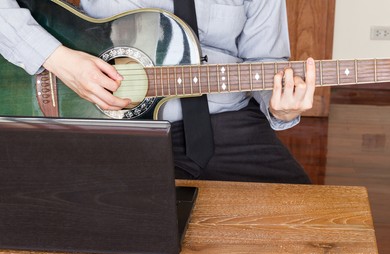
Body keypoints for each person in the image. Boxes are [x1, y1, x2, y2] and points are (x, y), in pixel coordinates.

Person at [0, 0, 315, 183]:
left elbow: (265, 61)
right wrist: (55, 58)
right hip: (111, 122)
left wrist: (281, 108)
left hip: (228, 121)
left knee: (305, 222)